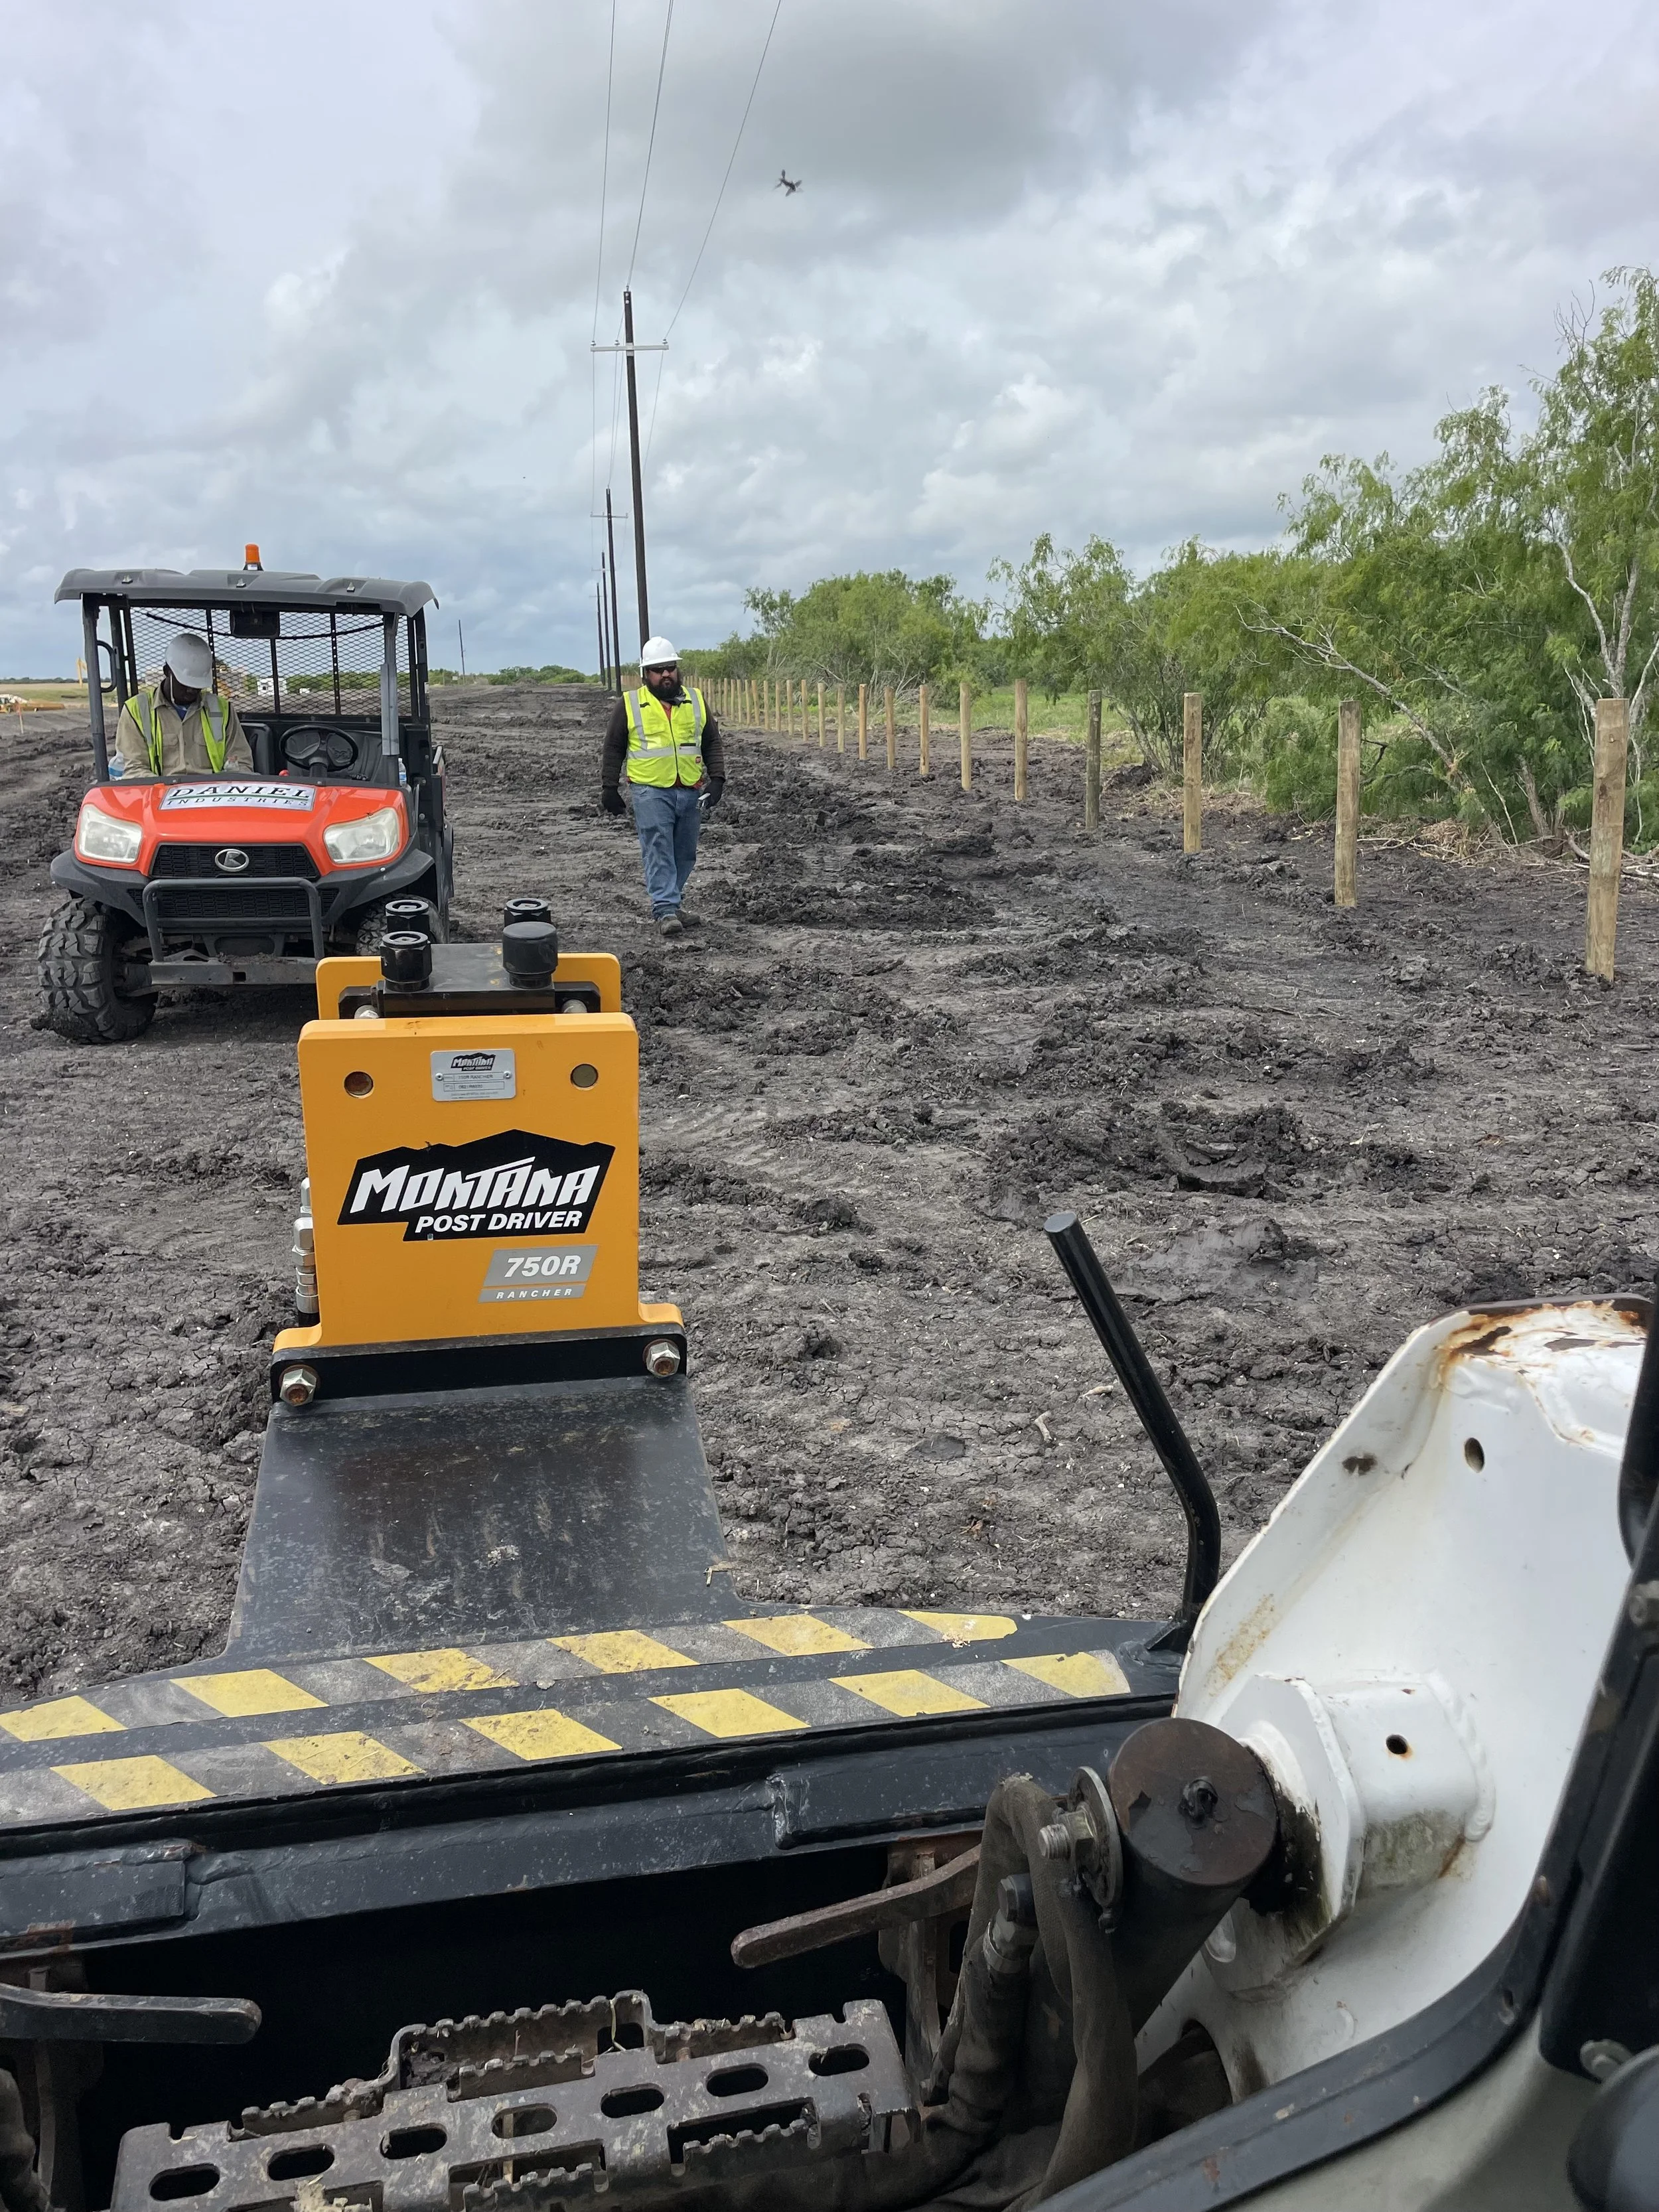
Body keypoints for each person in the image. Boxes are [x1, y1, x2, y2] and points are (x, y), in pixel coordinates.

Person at [600, 636, 726, 939]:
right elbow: (613, 746)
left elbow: (711, 741)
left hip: (690, 788)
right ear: (646, 674)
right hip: (650, 790)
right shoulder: (630, 704)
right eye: (658, 670)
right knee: (658, 847)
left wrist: (718, 779)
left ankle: (673, 900)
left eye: (670, 668)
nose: (666, 674)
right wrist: (609, 786)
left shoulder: (695, 700)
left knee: (685, 853)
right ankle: (665, 909)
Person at [111, 632, 253, 780]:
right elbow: (133, 769)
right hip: (159, 796)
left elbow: (242, 763)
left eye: (197, 685)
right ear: (167, 672)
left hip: (213, 795)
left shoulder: (222, 710)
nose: (192, 690)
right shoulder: (136, 711)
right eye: (186, 683)